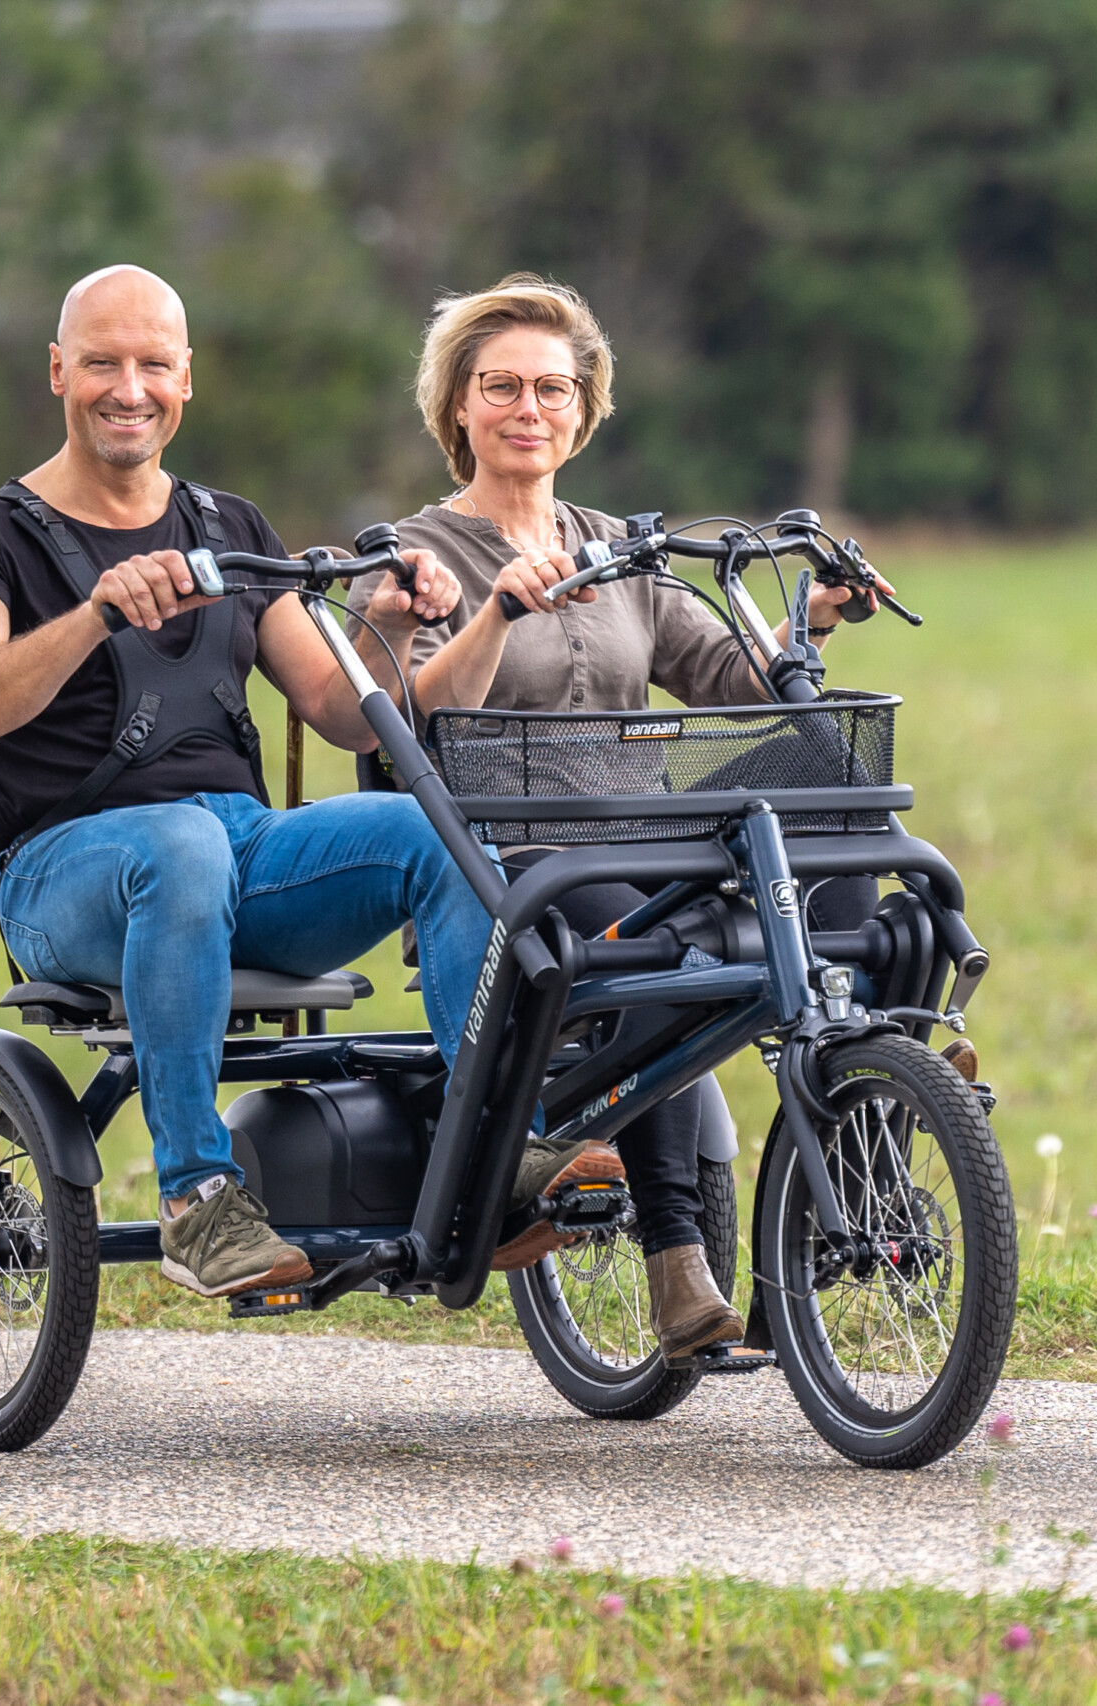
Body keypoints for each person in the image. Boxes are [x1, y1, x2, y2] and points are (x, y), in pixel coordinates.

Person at [0, 265, 621, 1301]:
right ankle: (199, 1198)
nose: (129, 389)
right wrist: (96, 615)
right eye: (103, 363)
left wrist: (392, 622)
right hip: (62, 873)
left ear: (186, 378)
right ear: (59, 371)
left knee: (431, 829)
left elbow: (345, 709)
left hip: (236, 853)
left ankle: (497, 1151)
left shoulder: (228, 525)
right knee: (180, 847)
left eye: (153, 365)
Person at [351, 274, 879, 1364]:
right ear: (458, 407)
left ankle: (864, 1082)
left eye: (552, 388)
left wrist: (810, 626)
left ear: (582, 409)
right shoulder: (413, 553)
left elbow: (726, 678)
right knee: (668, 949)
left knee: (836, 802)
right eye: (501, 386)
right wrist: (501, 609)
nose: (528, 408)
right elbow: (405, 721)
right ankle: (678, 1263)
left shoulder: (617, 546)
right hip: (509, 859)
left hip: (648, 842)